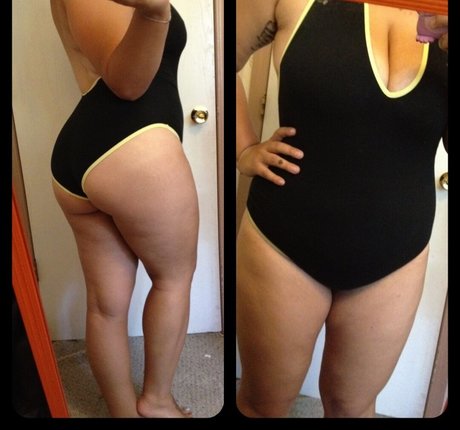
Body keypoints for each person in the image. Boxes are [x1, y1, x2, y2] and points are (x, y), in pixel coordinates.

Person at [236, 0, 447, 418]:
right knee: (264, 403)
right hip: (285, 238)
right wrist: (244, 149)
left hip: (397, 253)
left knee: (353, 407)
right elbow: (228, 59)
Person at [50, 0, 198, 418]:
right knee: (173, 278)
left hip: (90, 151)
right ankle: (157, 402)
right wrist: (156, 12)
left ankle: (123, 412)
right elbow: (128, 85)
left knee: (106, 305)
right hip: (134, 146)